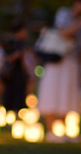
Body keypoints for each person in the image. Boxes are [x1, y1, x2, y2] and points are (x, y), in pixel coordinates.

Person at [37, 0, 81, 142]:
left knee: (66, 96)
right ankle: (51, 131)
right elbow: (63, 33)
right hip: (57, 61)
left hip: (72, 62)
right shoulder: (64, 13)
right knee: (53, 92)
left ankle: (64, 131)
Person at [0, 22, 29, 112]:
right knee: (16, 93)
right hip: (16, 73)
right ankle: (14, 113)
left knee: (11, 93)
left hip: (11, 72)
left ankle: (10, 113)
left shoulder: (10, 42)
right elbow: (20, 56)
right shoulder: (19, 43)